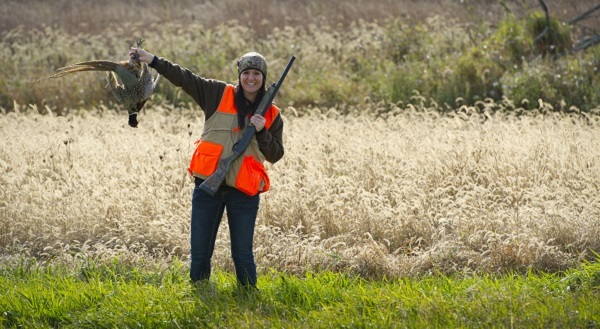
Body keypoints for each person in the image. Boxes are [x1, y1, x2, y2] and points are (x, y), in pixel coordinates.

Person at [129, 47, 285, 289]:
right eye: (246, 73)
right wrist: (152, 60)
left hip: (244, 191)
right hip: (207, 186)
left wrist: (262, 130)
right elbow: (184, 77)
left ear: (263, 77)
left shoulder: (272, 114)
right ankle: (200, 293)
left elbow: (276, 154)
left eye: (256, 73)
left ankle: (248, 297)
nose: (251, 78)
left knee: (242, 254)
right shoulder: (216, 93)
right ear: (239, 75)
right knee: (200, 252)